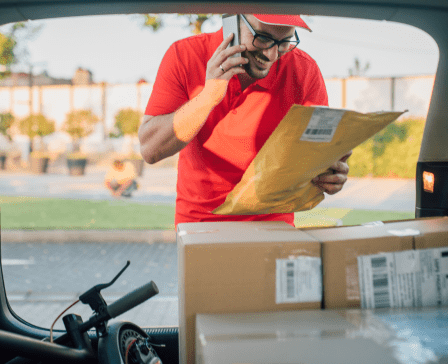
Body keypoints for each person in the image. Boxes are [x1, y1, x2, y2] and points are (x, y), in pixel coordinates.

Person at [139, 14, 350, 227]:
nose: (271, 54)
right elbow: (151, 150)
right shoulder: (184, 55)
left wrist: (329, 174)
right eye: (263, 38)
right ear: (233, 20)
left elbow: (316, 155)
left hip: (273, 222)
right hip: (200, 222)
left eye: (284, 42)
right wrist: (208, 97)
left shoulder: (304, 71)